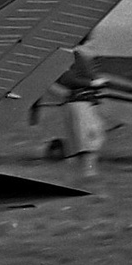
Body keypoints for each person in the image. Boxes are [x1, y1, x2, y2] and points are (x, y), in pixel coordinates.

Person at [55, 39, 107, 177]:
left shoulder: (75, 57)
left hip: (81, 101)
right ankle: (89, 172)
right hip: (80, 101)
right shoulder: (73, 57)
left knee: (80, 139)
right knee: (89, 138)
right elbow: (66, 78)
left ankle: (75, 173)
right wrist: (92, 83)